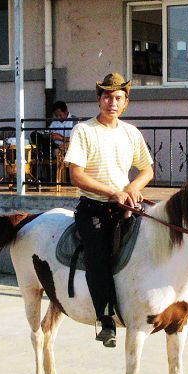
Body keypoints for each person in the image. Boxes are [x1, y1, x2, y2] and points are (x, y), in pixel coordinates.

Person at [64, 73, 154, 348]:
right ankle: (105, 318)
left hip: (125, 205)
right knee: (99, 256)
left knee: (155, 242)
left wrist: (133, 187)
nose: (111, 102)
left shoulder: (131, 132)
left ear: (126, 102)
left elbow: (147, 169)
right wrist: (113, 192)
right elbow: (76, 176)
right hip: (94, 208)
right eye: (106, 97)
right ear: (98, 99)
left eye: (117, 98)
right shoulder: (84, 130)